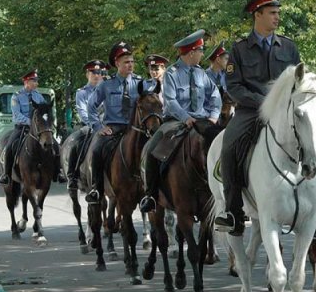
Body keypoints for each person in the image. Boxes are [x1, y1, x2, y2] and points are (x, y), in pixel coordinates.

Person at [213, 0, 303, 236]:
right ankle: (232, 212)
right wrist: (261, 102)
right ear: (258, 15)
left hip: (285, 113)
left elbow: (298, 82)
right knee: (229, 147)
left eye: (277, 12)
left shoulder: (289, 48)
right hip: (250, 112)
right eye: (272, 12)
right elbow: (233, 86)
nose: (277, 17)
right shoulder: (240, 49)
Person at [139, 29, 221, 213]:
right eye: (200, 51)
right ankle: (151, 195)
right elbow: (170, 100)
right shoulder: (171, 74)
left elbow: (214, 95)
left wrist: (214, 116)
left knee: (224, 143)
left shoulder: (202, 74)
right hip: (175, 121)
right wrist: (186, 117)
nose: (202, 54)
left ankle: (228, 195)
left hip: (203, 121)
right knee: (153, 148)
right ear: (191, 52)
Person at [85, 42, 142, 203]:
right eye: (126, 62)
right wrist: (98, 127)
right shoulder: (106, 83)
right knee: (96, 150)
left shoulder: (139, 83)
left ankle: (153, 191)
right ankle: (97, 189)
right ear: (117, 64)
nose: (130, 64)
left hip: (136, 129)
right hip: (113, 128)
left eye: (131, 61)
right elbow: (91, 105)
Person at [66, 60, 108, 190]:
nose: (96, 75)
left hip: (108, 125)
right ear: (87, 75)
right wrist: (96, 125)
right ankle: (72, 176)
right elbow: (83, 112)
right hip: (89, 126)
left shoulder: (108, 89)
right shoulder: (82, 92)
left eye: (99, 72)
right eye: (93, 72)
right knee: (76, 142)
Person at [0, 70, 45, 185]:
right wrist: (30, 122)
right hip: (22, 128)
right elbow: (16, 114)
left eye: (36, 81)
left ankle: (57, 172)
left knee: (53, 144)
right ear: (27, 81)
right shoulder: (16, 96)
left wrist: (43, 120)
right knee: (10, 147)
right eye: (34, 81)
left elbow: (45, 111)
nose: (36, 83)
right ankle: (6, 175)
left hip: (38, 128)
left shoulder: (38, 96)